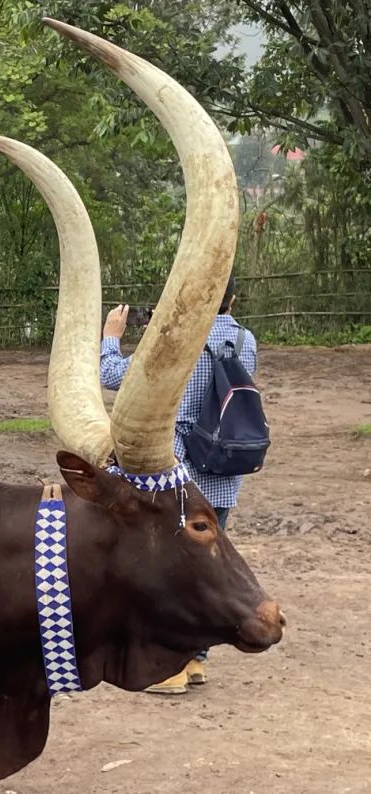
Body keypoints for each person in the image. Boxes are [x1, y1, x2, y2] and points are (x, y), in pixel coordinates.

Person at [100, 274, 258, 694]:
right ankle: (196, 659)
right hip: (225, 469)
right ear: (232, 300)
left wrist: (111, 337)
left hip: (179, 476)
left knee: (167, 568)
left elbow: (113, 376)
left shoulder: (176, 340)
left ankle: (167, 668)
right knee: (206, 567)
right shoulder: (246, 341)